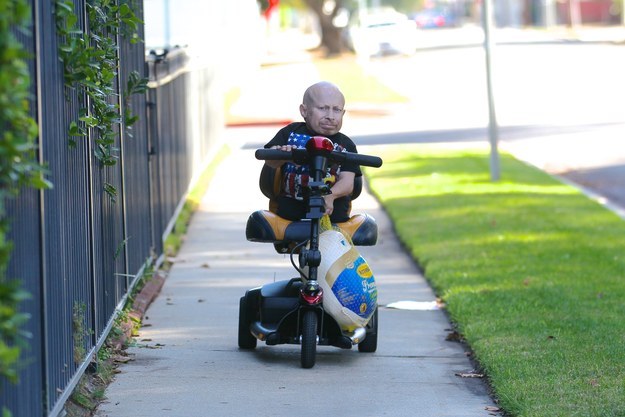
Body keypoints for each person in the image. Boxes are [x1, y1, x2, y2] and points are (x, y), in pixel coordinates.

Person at [263, 81, 361, 223]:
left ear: (343, 113)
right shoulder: (290, 133)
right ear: (304, 111)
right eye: (322, 108)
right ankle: (288, 245)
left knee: (338, 232)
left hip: (333, 209)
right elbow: (270, 160)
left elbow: (347, 182)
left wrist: (330, 196)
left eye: (337, 110)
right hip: (292, 207)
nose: (330, 116)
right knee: (281, 226)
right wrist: (282, 154)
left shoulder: (346, 145)